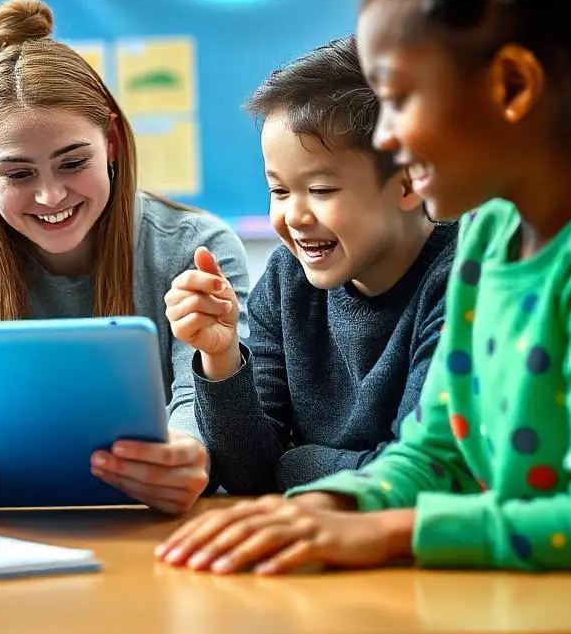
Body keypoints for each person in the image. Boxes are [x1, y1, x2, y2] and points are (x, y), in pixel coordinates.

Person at [157, 0, 571, 574]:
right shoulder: (491, 236)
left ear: (513, 88)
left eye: (399, 101)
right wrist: (328, 508)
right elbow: (434, 450)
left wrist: (390, 531)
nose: (388, 136)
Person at [0, 0, 250, 516]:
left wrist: (188, 450)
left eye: (73, 162)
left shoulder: (195, 246)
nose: (51, 196)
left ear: (113, 143)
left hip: (149, 532)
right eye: (18, 174)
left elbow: (204, 401)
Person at [169, 36, 456, 494]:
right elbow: (246, 476)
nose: (295, 217)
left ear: (407, 184)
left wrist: (294, 464)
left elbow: (421, 474)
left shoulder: (462, 281)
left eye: (320, 191)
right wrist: (221, 357)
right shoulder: (287, 282)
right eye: (279, 191)